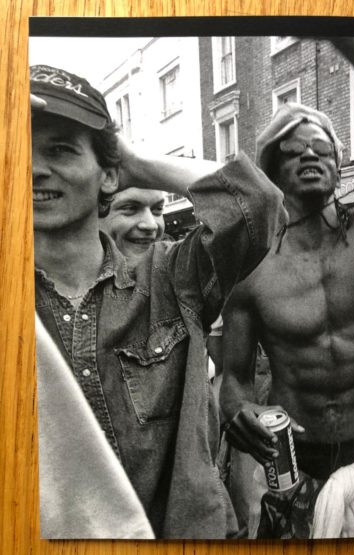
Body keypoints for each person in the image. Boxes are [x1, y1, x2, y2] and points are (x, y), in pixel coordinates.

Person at [30, 64, 287, 539]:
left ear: (107, 174)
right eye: (15, 149)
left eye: (60, 149)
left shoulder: (171, 278)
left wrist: (131, 163)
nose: (33, 167)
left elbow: (257, 204)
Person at [220, 40, 354, 538]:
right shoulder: (250, 266)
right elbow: (232, 378)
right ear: (273, 173)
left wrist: (347, 36)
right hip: (293, 461)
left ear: (340, 165)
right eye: (294, 152)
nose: (310, 155)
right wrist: (236, 409)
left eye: (321, 148)